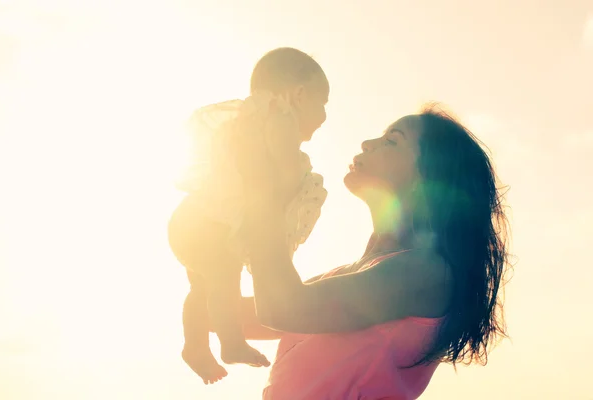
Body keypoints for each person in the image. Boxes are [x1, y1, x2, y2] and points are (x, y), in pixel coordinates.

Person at [230, 106, 510, 399]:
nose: (367, 144)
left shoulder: (425, 273)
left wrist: (262, 193)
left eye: (392, 141)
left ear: (426, 181)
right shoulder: (356, 272)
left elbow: (283, 308)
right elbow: (247, 315)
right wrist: (205, 246)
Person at [167, 47, 330, 384]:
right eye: (322, 103)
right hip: (211, 224)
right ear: (299, 95)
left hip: (193, 218)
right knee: (223, 275)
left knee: (204, 287)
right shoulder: (279, 116)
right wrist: (293, 181)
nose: (325, 115)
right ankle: (231, 342)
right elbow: (280, 178)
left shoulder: (248, 116)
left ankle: (194, 345)